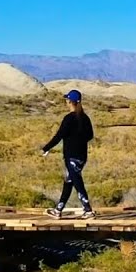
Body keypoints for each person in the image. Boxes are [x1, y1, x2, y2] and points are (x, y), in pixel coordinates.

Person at [42, 89, 96, 218]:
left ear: (70, 102)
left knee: (77, 182)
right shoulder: (85, 118)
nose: (66, 102)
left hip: (71, 156)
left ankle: (88, 210)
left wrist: (46, 148)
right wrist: (79, 139)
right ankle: (58, 210)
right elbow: (90, 135)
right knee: (69, 181)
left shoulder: (69, 118)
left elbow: (59, 135)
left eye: (67, 100)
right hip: (82, 156)